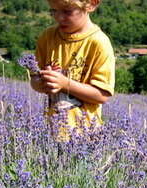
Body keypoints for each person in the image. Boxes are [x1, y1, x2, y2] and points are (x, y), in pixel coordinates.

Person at [31, 0, 115, 141]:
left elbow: (102, 95)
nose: (59, 17)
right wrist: (43, 82)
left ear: (91, 5)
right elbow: (34, 80)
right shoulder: (47, 38)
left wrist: (65, 84)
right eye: (54, 11)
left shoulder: (99, 43)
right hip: (52, 132)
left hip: (86, 136)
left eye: (67, 11)